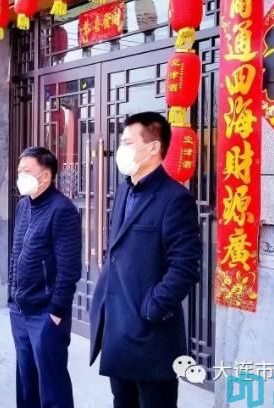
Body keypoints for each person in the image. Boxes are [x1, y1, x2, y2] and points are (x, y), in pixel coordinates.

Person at [89, 112, 202, 408]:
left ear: (153, 147)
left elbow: (185, 266)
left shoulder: (175, 198)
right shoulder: (124, 190)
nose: (120, 149)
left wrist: (152, 309)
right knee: (122, 401)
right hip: (117, 330)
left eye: (128, 142)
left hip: (151, 336)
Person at [9, 147, 81, 408]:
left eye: (27, 171)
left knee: (52, 387)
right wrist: (12, 296)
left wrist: (57, 311)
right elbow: (16, 253)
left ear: (46, 176)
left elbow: (69, 269)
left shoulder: (62, 210)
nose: (21, 177)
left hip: (46, 313)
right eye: (19, 172)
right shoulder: (23, 206)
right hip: (20, 309)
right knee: (27, 382)